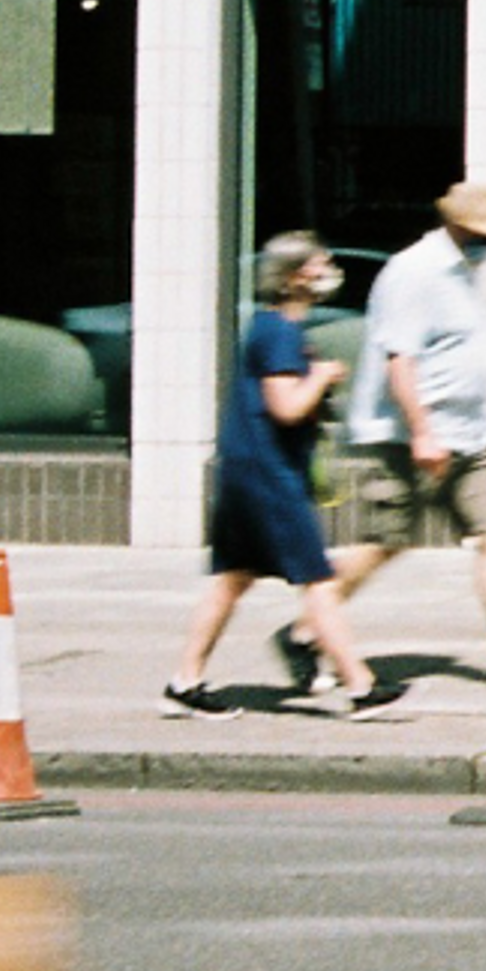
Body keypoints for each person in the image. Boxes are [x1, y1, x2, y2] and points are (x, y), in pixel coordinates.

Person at [166, 233, 399, 720]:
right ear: (294, 277)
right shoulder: (279, 333)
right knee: (316, 580)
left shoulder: (272, 328)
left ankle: (185, 680)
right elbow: (286, 407)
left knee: (232, 580)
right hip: (269, 477)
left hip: (247, 471)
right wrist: (322, 376)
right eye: (320, 263)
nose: (329, 269)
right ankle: (360, 687)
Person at [329, 180, 486, 682]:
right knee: (386, 539)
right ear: (454, 226)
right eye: (481, 234)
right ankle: (311, 625)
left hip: (472, 432)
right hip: (410, 434)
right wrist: (422, 432)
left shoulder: (464, 272)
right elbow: (401, 360)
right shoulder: (414, 272)